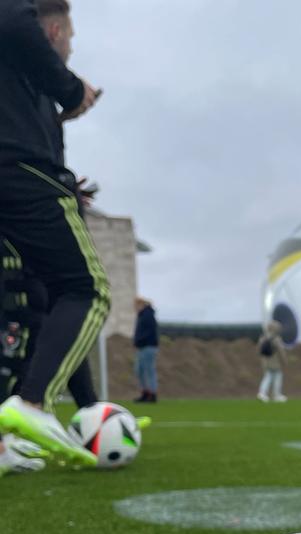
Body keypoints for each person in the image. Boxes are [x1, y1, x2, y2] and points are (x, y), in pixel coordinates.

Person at [0, 0, 109, 466]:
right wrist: (70, 88)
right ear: (55, 30)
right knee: (86, 289)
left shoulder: (19, 73)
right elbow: (9, 15)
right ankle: (32, 403)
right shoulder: (19, 30)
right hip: (21, 176)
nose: (70, 45)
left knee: (26, 307)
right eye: (69, 35)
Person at [134, 297, 159, 402]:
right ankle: (145, 393)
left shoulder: (148, 315)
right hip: (142, 347)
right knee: (139, 371)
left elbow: (149, 332)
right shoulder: (142, 315)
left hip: (148, 347)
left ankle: (152, 394)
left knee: (149, 371)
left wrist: (140, 340)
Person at [257, 320, 287, 402]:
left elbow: (259, 350)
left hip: (265, 361)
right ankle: (276, 395)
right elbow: (281, 351)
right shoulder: (277, 339)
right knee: (278, 376)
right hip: (275, 361)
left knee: (267, 376)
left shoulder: (262, 338)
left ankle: (262, 393)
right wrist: (284, 360)